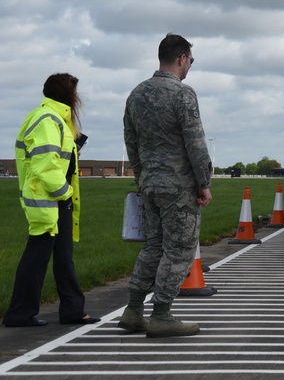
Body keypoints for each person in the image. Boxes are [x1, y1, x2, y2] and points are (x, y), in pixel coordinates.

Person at [119, 34, 213, 338]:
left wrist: (141, 176)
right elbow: (195, 143)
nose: (189, 68)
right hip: (179, 187)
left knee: (154, 246)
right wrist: (204, 182)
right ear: (182, 59)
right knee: (180, 249)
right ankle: (161, 314)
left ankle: (134, 310)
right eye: (190, 61)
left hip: (150, 184)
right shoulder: (182, 94)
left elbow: (130, 142)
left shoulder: (136, 94)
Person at [3, 73, 100, 328]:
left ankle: (72, 310)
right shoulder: (48, 119)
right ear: (69, 95)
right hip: (48, 201)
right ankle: (19, 314)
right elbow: (45, 166)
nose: (78, 97)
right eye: (75, 92)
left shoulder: (57, 119)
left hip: (55, 200)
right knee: (36, 259)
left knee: (63, 258)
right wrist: (64, 192)